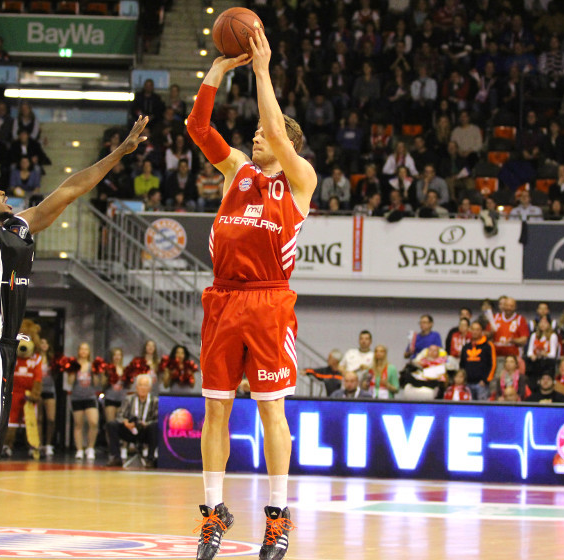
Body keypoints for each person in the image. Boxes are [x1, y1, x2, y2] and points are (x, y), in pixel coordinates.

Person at [0, 83, 147, 560]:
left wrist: (120, 151)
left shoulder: (17, 227)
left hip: (0, 348)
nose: (3, 191)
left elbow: (72, 187)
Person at [186, 28, 315, 560]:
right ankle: (214, 512)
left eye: (269, 131)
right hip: (223, 300)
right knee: (216, 412)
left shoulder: (299, 178)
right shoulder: (235, 170)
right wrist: (218, 71)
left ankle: (278, 519)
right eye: (259, 131)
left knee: (270, 415)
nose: (258, 136)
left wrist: (262, 70)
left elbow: (278, 135)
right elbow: (198, 127)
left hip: (268, 301)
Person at [106, 374, 159, 467]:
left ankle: (151, 459)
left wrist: (145, 424)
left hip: (145, 430)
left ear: (150, 388)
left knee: (154, 427)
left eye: (145, 385)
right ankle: (116, 457)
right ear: (136, 387)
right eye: (140, 385)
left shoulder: (155, 401)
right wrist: (125, 422)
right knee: (112, 424)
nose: (142, 388)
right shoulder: (129, 399)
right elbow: (120, 415)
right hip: (130, 429)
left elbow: (157, 419)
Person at [70, 342, 102, 462]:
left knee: (93, 422)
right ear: (79, 351)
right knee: (78, 424)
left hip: (90, 396)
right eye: (81, 349)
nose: (83, 351)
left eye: (86, 349)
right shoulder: (74, 365)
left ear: (89, 352)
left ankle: (90, 447)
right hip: (77, 397)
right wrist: (73, 370)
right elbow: (70, 382)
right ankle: (79, 449)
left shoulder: (91, 365)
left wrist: (96, 372)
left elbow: (97, 383)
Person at [459, 320, 497, 401]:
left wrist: (486, 380)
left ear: (482, 331)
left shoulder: (488, 346)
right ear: (470, 330)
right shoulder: (466, 347)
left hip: (481, 384)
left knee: (482, 408)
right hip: (467, 384)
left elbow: (493, 364)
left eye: (477, 329)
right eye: (473, 329)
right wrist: (463, 380)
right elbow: (462, 365)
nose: (475, 332)